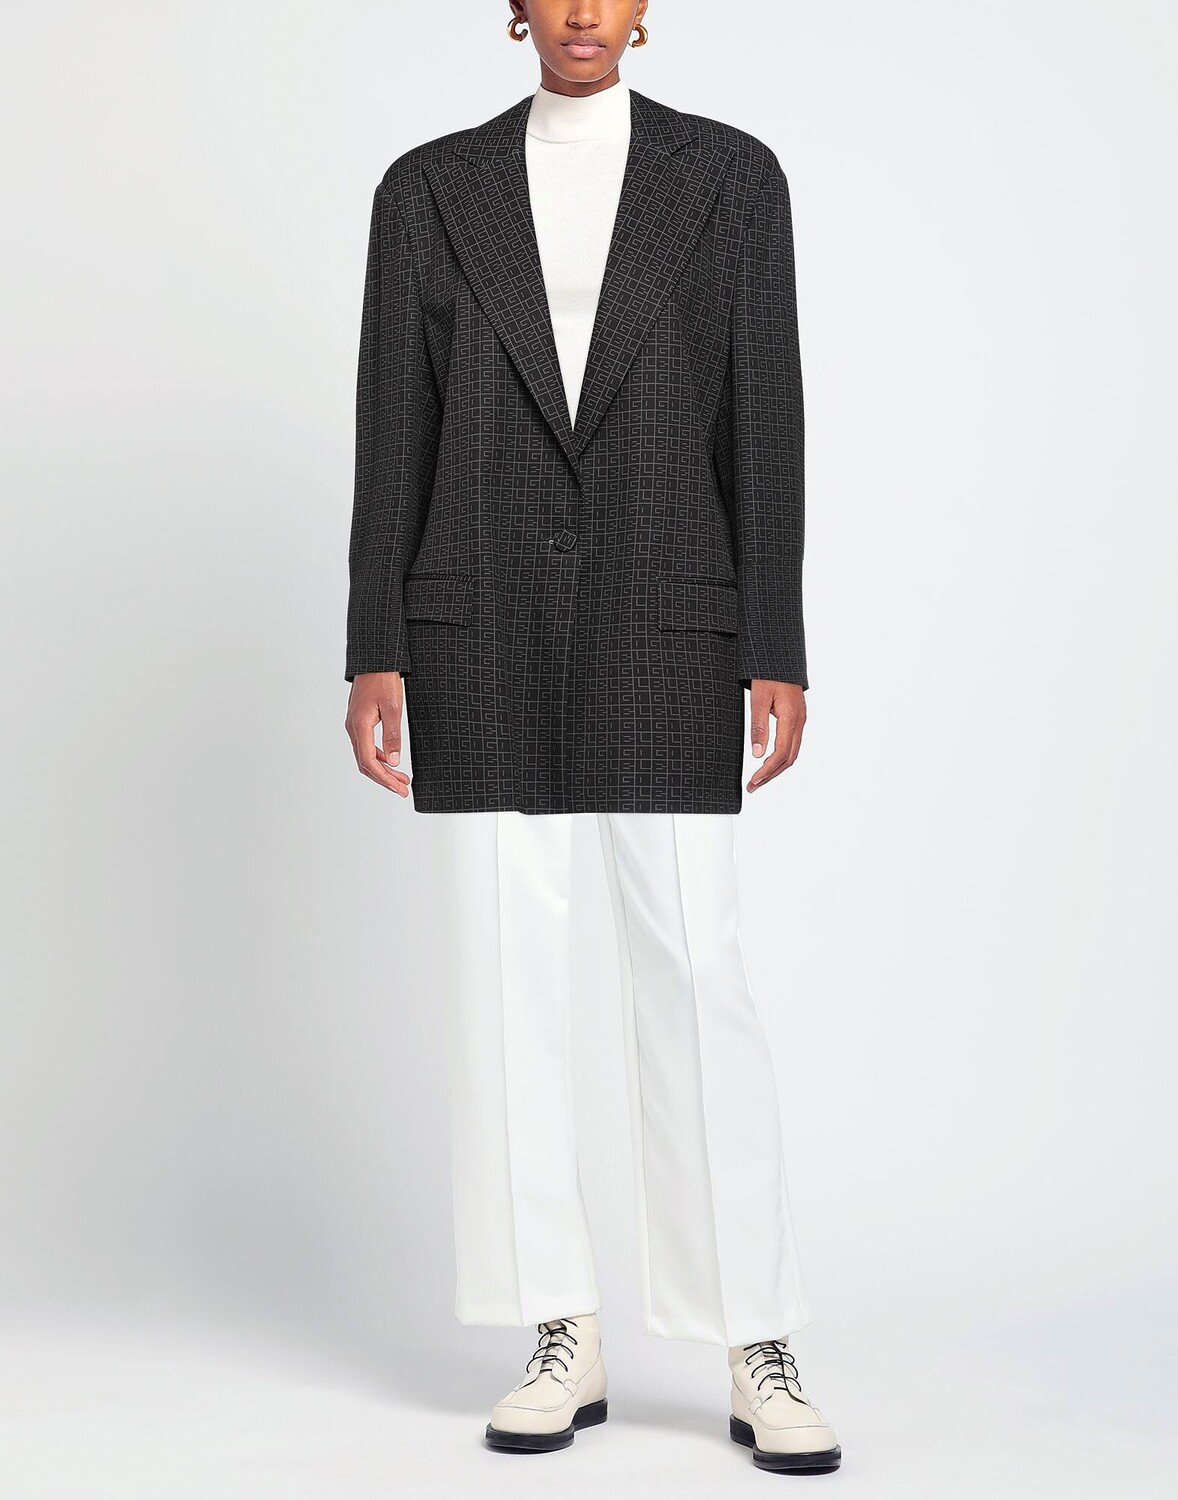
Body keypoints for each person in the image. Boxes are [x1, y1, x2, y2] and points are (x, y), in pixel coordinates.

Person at [343, 0, 840, 1474]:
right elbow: (391, 426)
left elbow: (765, 413)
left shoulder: (729, 177)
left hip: (669, 612)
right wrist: (375, 641)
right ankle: (558, 1325)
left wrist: (773, 639)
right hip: (477, 614)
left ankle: (753, 1335)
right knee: (505, 980)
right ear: (513, 10)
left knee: (694, 974)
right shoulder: (428, 189)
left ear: (642, 10)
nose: (580, 10)